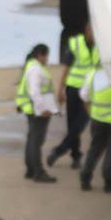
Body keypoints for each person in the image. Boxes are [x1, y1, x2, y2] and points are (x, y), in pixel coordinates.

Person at [46, 24, 99, 170]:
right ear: (86, 31)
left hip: (89, 91)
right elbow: (66, 68)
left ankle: (59, 150)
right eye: (92, 31)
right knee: (72, 125)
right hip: (73, 89)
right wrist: (60, 89)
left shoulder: (100, 45)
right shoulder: (76, 43)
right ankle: (76, 156)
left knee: (80, 124)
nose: (94, 34)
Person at [79, 67, 111, 193]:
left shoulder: (93, 73)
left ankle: (85, 179)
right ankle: (109, 182)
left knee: (95, 149)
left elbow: (84, 96)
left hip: (98, 119)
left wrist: (92, 114)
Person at [15, 43, 58, 183]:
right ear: (40, 55)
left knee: (32, 140)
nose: (47, 59)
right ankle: (38, 172)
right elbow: (34, 91)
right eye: (47, 56)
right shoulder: (35, 69)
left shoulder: (31, 66)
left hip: (31, 107)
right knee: (36, 141)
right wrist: (42, 108)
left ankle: (30, 170)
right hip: (36, 109)